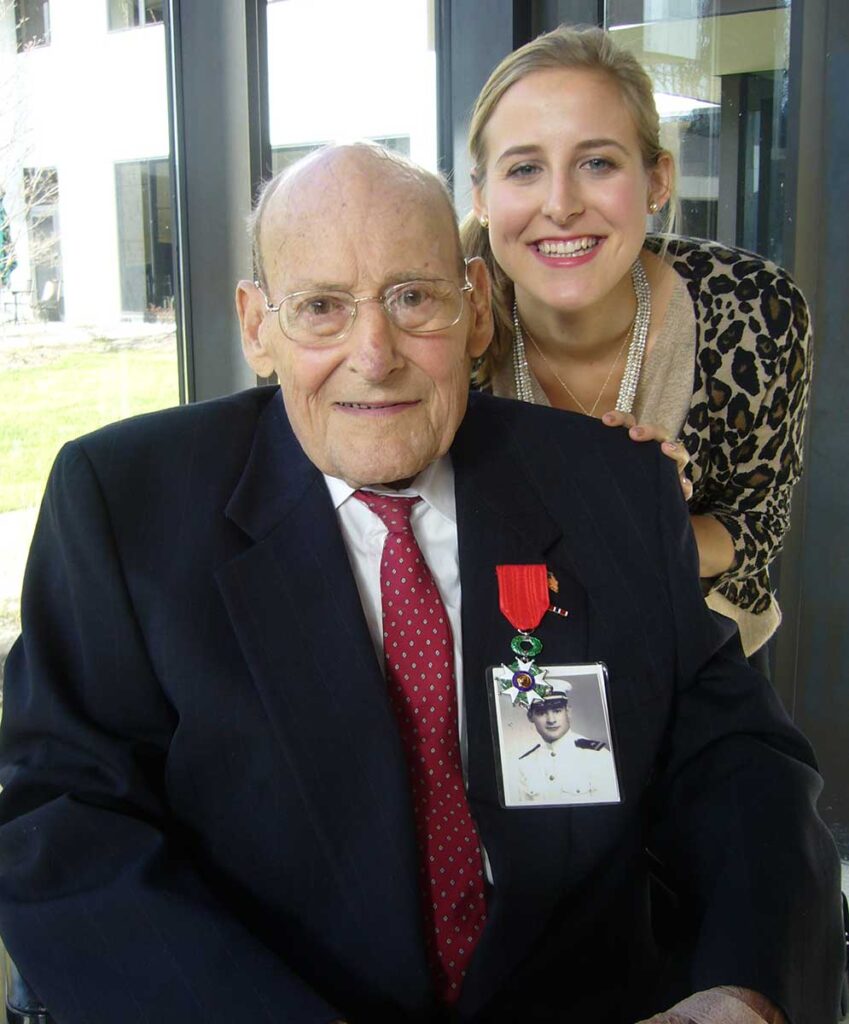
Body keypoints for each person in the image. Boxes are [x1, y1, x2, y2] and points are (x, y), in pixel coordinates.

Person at [0, 143, 842, 1024]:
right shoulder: (125, 502)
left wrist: (746, 988)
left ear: (475, 310)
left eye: (413, 298)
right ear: (258, 327)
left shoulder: (608, 486)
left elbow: (737, 759)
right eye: (321, 308)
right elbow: (65, 820)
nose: (375, 354)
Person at [460, 24, 812, 665]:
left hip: (701, 648)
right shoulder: (447, 335)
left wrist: (659, 529)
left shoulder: (756, 308)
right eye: (525, 169)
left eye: (597, 163)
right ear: (482, 195)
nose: (560, 205)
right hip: (514, 662)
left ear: (656, 181)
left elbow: (759, 521)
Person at [516, 691, 618, 804]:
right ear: (530, 717)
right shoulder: (525, 763)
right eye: (541, 713)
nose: (551, 720)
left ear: (568, 712)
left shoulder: (598, 756)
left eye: (557, 711)